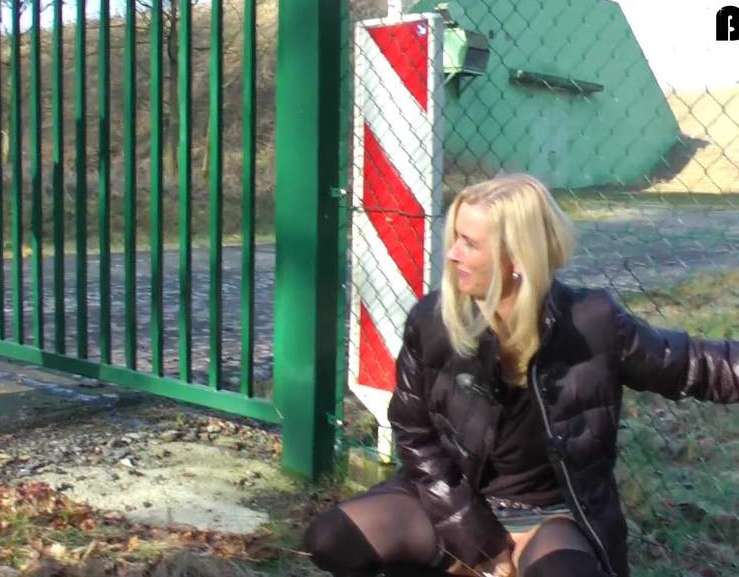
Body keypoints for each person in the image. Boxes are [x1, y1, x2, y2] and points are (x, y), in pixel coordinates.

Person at [302, 174, 739, 577]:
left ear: (517, 257)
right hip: (454, 499)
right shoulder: (433, 322)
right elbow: (413, 431)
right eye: (455, 238)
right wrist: (478, 541)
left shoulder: (593, 323)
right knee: (331, 539)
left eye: (469, 243)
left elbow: (691, 364)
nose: (452, 253)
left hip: (548, 515)